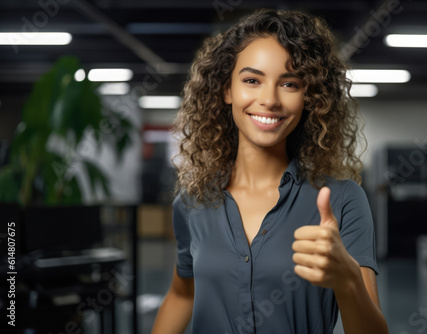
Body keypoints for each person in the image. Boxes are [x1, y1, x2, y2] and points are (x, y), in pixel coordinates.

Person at [152, 8, 388, 334]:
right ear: (227, 90)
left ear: (309, 97)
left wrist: (347, 280)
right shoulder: (192, 203)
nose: (269, 99)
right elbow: (181, 295)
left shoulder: (343, 201)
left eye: (289, 83)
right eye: (252, 80)